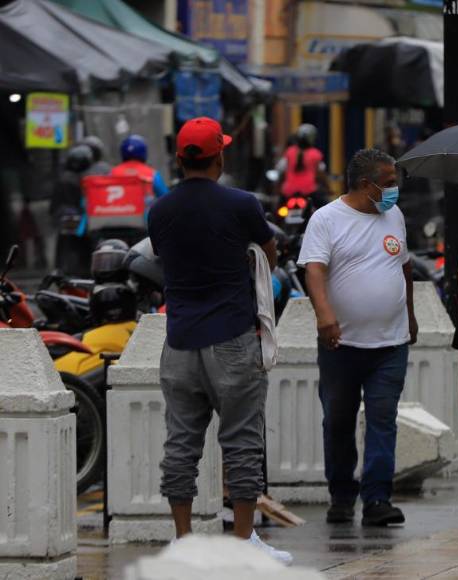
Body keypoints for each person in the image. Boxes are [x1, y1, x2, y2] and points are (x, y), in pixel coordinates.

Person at [147, 117, 291, 564]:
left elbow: (161, 256)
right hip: (231, 338)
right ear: (220, 157)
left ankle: (183, 538)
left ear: (179, 159)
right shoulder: (241, 204)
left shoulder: (161, 210)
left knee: (181, 443)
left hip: (180, 342)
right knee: (242, 440)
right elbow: (269, 254)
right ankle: (245, 540)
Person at [298, 149, 417, 527]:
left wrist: (410, 315)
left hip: (390, 342)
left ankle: (378, 498)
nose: (395, 190)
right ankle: (341, 494)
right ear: (366, 185)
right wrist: (324, 315)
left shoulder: (393, 215)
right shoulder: (327, 220)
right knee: (338, 419)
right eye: (390, 182)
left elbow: (405, 268)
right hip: (342, 345)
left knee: (383, 419)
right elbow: (313, 271)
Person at [51, 144, 94, 275]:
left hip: (64, 219)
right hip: (81, 220)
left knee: (64, 247)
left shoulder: (62, 179)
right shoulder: (85, 180)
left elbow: (53, 206)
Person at [279, 124, 329, 209]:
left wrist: (279, 187)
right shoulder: (315, 154)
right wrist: (328, 188)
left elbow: (282, 171)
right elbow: (320, 175)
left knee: (277, 211)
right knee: (326, 209)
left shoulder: (289, 151)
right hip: (309, 191)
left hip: (288, 191)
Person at [113, 134, 170, 207]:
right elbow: (167, 199)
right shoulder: (152, 174)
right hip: (146, 218)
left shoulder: (112, 173)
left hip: (119, 217)